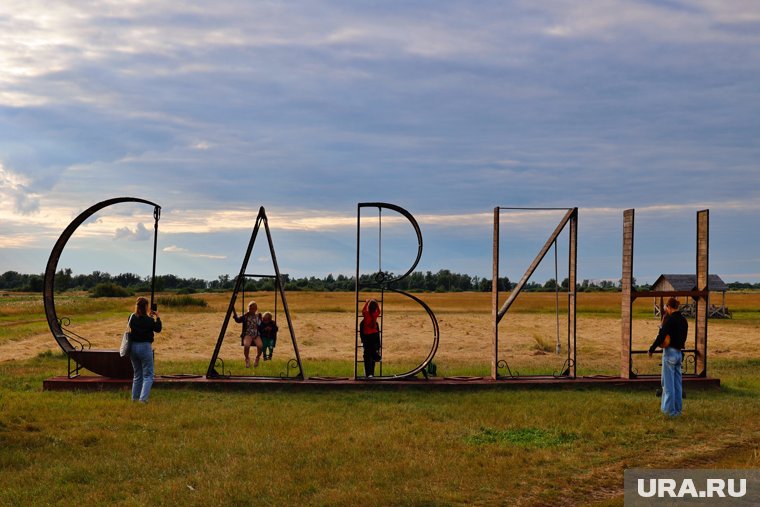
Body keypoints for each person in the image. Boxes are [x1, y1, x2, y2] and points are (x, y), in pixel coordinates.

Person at [648, 297, 688, 416]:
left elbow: (661, 336)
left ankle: (669, 411)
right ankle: (677, 410)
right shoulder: (683, 320)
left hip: (670, 352)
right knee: (677, 384)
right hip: (679, 353)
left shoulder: (670, 320)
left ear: (669, 307)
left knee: (668, 384)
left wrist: (652, 348)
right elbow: (684, 337)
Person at [128, 297, 162, 403]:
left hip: (133, 347)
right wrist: (158, 317)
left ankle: (135, 398)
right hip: (145, 347)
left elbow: (139, 321)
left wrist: (149, 317)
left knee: (137, 374)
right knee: (148, 375)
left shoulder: (131, 317)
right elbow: (158, 329)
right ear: (146, 307)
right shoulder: (149, 320)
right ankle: (143, 399)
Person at [233, 301, 262, 368]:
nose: (252, 310)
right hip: (248, 334)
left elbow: (262, 324)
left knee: (260, 346)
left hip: (256, 334)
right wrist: (234, 313)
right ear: (248, 308)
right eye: (251, 308)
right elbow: (238, 320)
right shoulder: (245, 316)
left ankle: (257, 358)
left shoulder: (259, 316)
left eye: (254, 308)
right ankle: (247, 359)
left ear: (256, 309)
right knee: (246, 345)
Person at [360, 299, 381, 378]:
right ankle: (376, 356)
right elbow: (379, 311)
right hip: (374, 335)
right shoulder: (375, 314)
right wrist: (377, 304)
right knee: (373, 350)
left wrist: (366, 302)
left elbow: (363, 310)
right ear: (375, 308)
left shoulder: (366, 314)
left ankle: (369, 372)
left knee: (367, 352)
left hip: (367, 336)